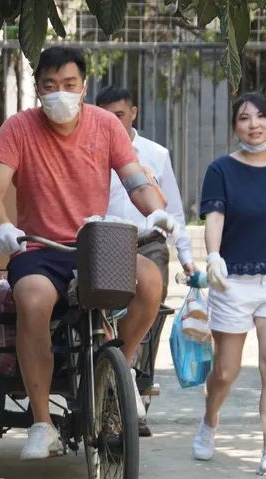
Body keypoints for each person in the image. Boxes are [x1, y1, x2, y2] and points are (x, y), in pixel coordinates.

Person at [0, 47, 178, 460]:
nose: (60, 93)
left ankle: (117, 371)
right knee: (33, 300)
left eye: (69, 84)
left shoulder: (106, 125)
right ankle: (42, 423)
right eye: (50, 85)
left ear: (84, 87)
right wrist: (2, 226)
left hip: (94, 243)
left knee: (150, 280)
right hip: (38, 247)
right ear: (38, 89)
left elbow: (135, 181)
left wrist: (155, 210)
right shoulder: (18, 128)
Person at [192, 92, 266, 479]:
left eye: (261, 117)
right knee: (226, 372)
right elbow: (214, 217)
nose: (254, 124)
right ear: (235, 127)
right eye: (244, 118)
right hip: (232, 282)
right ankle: (210, 419)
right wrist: (213, 255)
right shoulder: (221, 170)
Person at [96, 85, 195, 437]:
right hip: (104, 241)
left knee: (148, 317)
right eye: (105, 116)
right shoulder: (91, 150)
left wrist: (186, 256)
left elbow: (174, 211)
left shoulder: (155, 154)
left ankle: (137, 400)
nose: (113, 122)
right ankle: (107, 394)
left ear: (134, 113)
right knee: (101, 315)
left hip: (148, 241)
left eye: (119, 116)